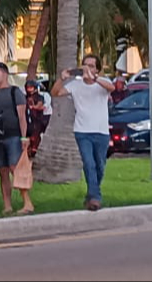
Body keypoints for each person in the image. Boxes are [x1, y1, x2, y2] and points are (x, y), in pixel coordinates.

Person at [52, 55, 116, 211]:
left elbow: (112, 88)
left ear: (97, 69)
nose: (88, 68)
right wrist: (62, 78)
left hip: (101, 131)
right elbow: (56, 92)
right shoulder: (75, 85)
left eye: (92, 66)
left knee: (100, 166)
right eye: (85, 65)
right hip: (82, 131)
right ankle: (95, 197)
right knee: (89, 164)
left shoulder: (102, 82)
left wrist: (94, 78)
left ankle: (91, 194)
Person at [0, 63, 32, 216]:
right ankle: (7, 205)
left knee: (16, 169)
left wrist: (23, 136)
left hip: (14, 135)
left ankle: (27, 202)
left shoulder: (15, 92)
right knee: (2, 171)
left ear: (5, 74)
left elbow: (22, 117)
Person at [25, 81, 47, 158]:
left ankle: (35, 150)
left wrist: (34, 106)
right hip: (28, 120)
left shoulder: (40, 97)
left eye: (31, 87)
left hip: (37, 120)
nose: (29, 89)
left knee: (36, 136)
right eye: (28, 87)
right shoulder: (25, 97)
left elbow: (40, 105)